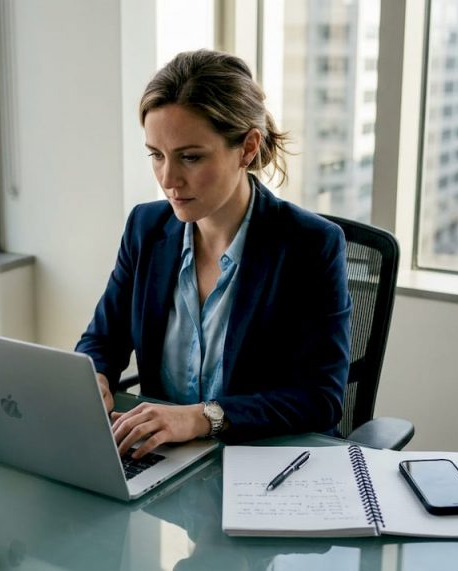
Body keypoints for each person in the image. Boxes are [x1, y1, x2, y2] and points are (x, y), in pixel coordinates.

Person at [76, 49, 352, 459]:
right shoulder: (146, 229)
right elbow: (102, 338)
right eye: (156, 155)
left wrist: (202, 417)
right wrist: (93, 375)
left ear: (246, 148)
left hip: (262, 465)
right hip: (161, 459)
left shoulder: (309, 245)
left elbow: (320, 398)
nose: (168, 179)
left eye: (190, 157)